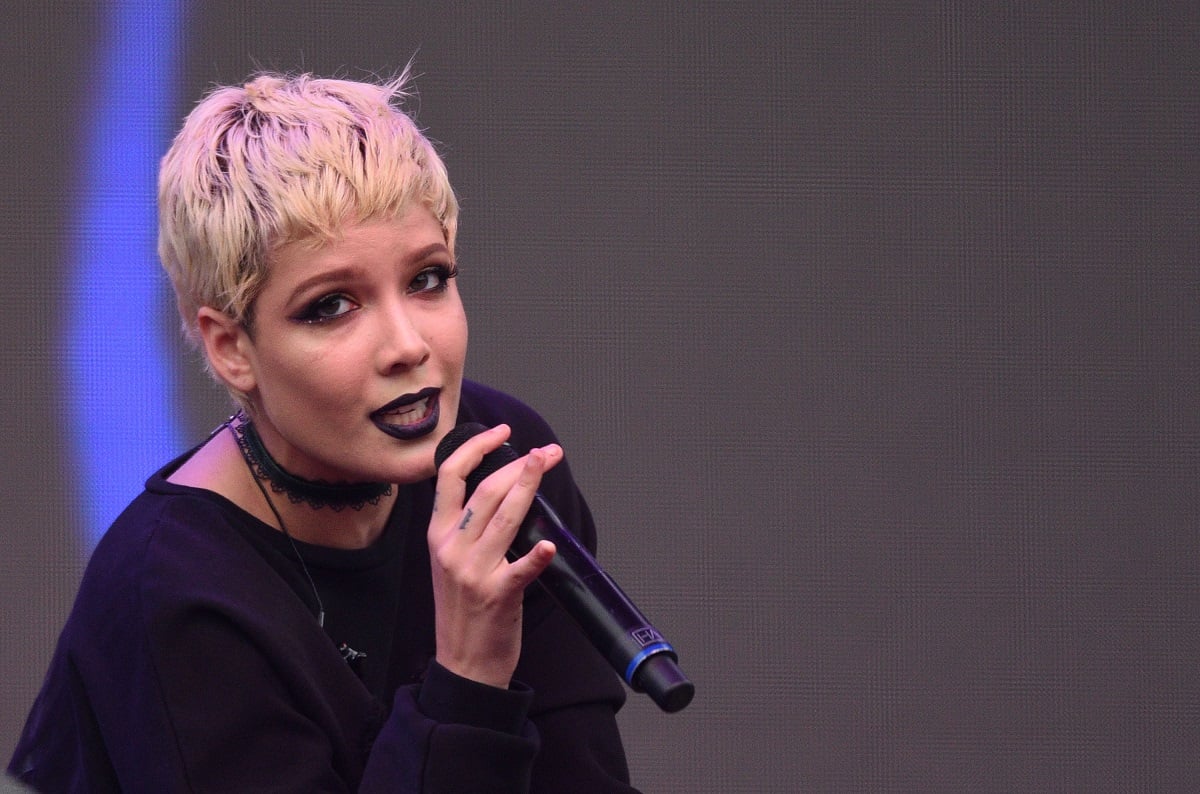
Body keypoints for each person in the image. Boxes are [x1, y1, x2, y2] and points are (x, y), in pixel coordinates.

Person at [8, 71, 637, 792]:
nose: (406, 345)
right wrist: (468, 677)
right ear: (230, 348)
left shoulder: (502, 459)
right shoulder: (176, 596)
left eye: (428, 279)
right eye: (332, 305)